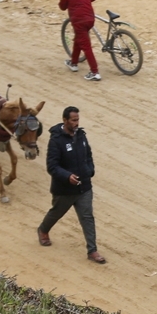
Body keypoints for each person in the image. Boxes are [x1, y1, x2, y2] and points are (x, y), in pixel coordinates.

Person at [37, 107, 104, 264]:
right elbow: (52, 166)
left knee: (87, 218)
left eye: (77, 120)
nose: (76, 123)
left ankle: (92, 250)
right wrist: (67, 176)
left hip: (84, 187)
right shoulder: (56, 141)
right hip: (64, 190)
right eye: (73, 120)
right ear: (65, 120)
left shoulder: (81, 136)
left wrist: (90, 170)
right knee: (56, 213)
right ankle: (43, 229)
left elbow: (88, 155)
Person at [59, 0, 101, 81]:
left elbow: (62, 7)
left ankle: (95, 72)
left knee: (86, 47)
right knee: (79, 39)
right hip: (90, 19)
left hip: (79, 21)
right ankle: (73, 63)